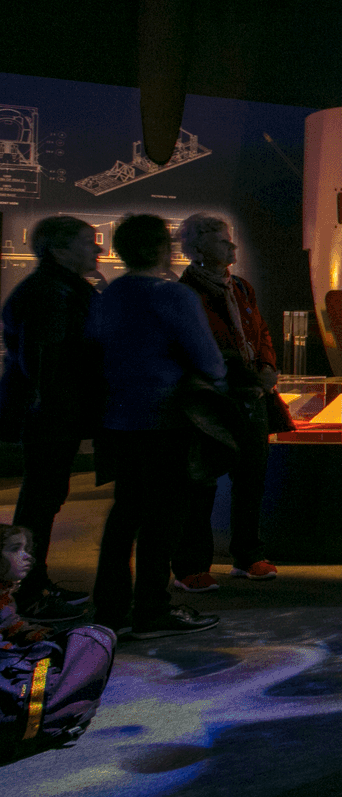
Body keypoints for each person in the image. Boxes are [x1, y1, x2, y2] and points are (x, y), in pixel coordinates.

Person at [89, 214, 223, 639]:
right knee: (163, 521)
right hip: (166, 422)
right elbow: (211, 363)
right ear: (165, 249)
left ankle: (109, 610)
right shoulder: (175, 297)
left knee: (125, 514)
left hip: (117, 422)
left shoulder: (109, 296)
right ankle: (152, 609)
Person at [0, 215, 102, 621]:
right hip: (48, 414)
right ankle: (27, 593)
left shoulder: (53, 288)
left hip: (45, 412)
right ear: (60, 250)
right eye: (88, 241)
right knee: (41, 500)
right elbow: (44, 361)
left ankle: (32, 584)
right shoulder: (53, 292)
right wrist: (63, 411)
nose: (97, 249)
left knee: (43, 498)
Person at [173, 214, 281, 590]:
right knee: (200, 484)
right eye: (223, 241)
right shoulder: (185, 293)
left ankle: (248, 555)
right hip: (210, 401)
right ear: (197, 246)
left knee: (251, 478)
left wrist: (266, 366)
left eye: (231, 240)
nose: (232, 248)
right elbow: (197, 347)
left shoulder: (241, 288)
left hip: (251, 398)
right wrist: (243, 374)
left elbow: (260, 330)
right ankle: (191, 566)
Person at [0, 524, 116, 753]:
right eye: (15, 549)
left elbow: (10, 625)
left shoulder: (5, 595)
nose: (27, 557)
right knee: (91, 643)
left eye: (26, 548)